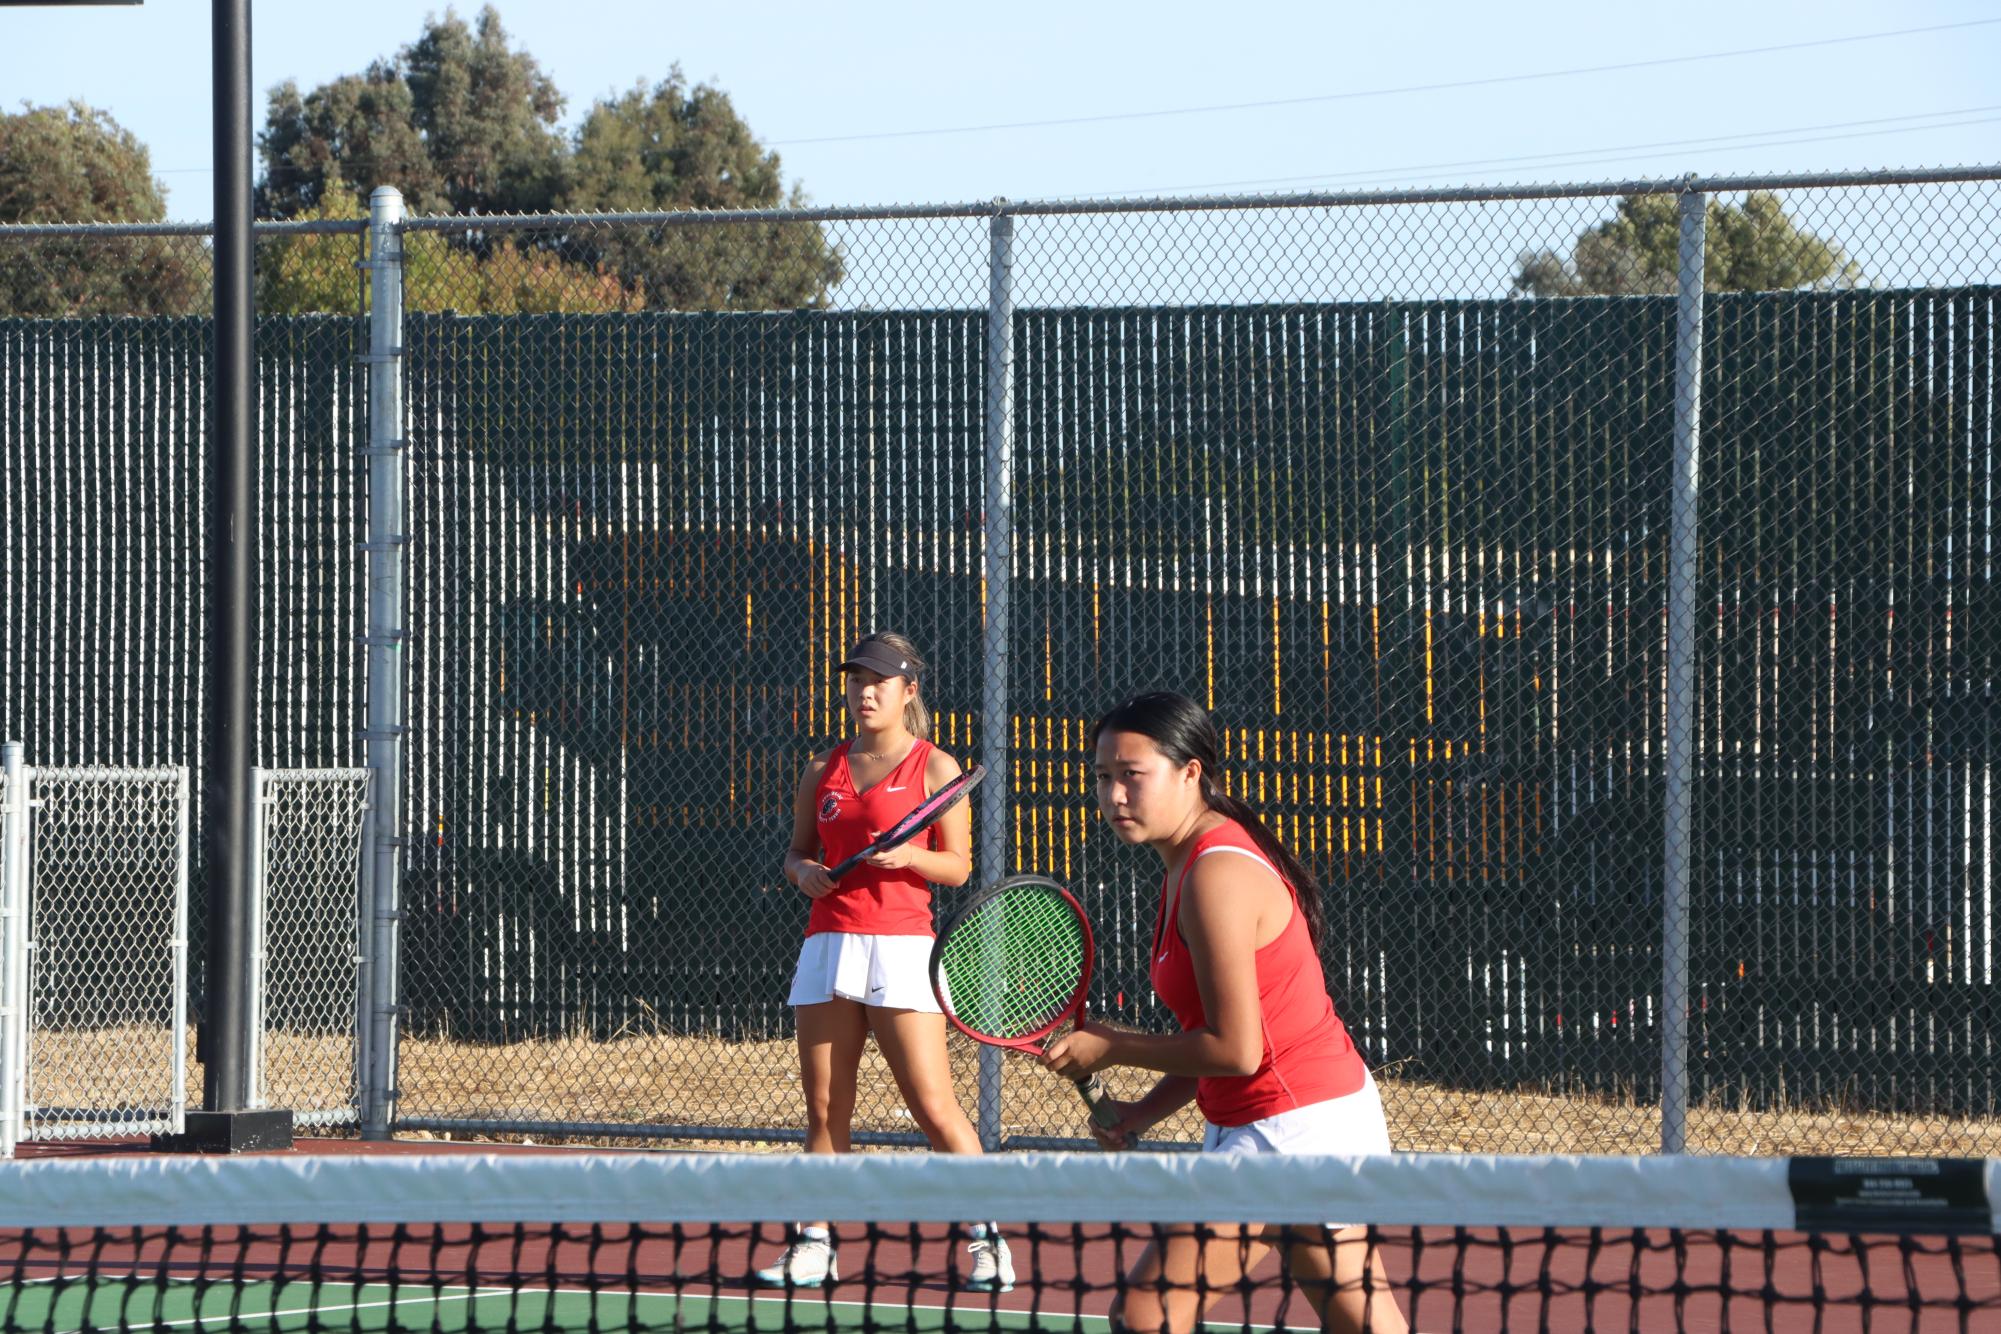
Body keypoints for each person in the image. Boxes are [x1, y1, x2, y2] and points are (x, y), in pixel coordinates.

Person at [1041, 690, 1408, 1334]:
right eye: (1103, 777)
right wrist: (1141, 1111)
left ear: (1190, 774)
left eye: (1133, 776)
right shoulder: (1187, 862)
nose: (1115, 795)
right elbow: (1211, 1040)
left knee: (1148, 1317)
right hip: (1294, 1119)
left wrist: (1112, 1044)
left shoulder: (1215, 875)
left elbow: (1236, 1048)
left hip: (1295, 1129)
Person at [756, 632, 1012, 1292]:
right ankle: (813, 1242)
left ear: (908, 691)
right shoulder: (822, 769)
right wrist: (804, 872)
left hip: (901, 950)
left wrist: (908, 858)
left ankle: (987, 1241)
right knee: (823, 1109)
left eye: (878, 680)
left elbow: (956, 866)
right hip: (827, 946)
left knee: (932, 1107)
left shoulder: (935, 767)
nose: (864, 691)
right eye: (854, 680)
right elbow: (795, 852)